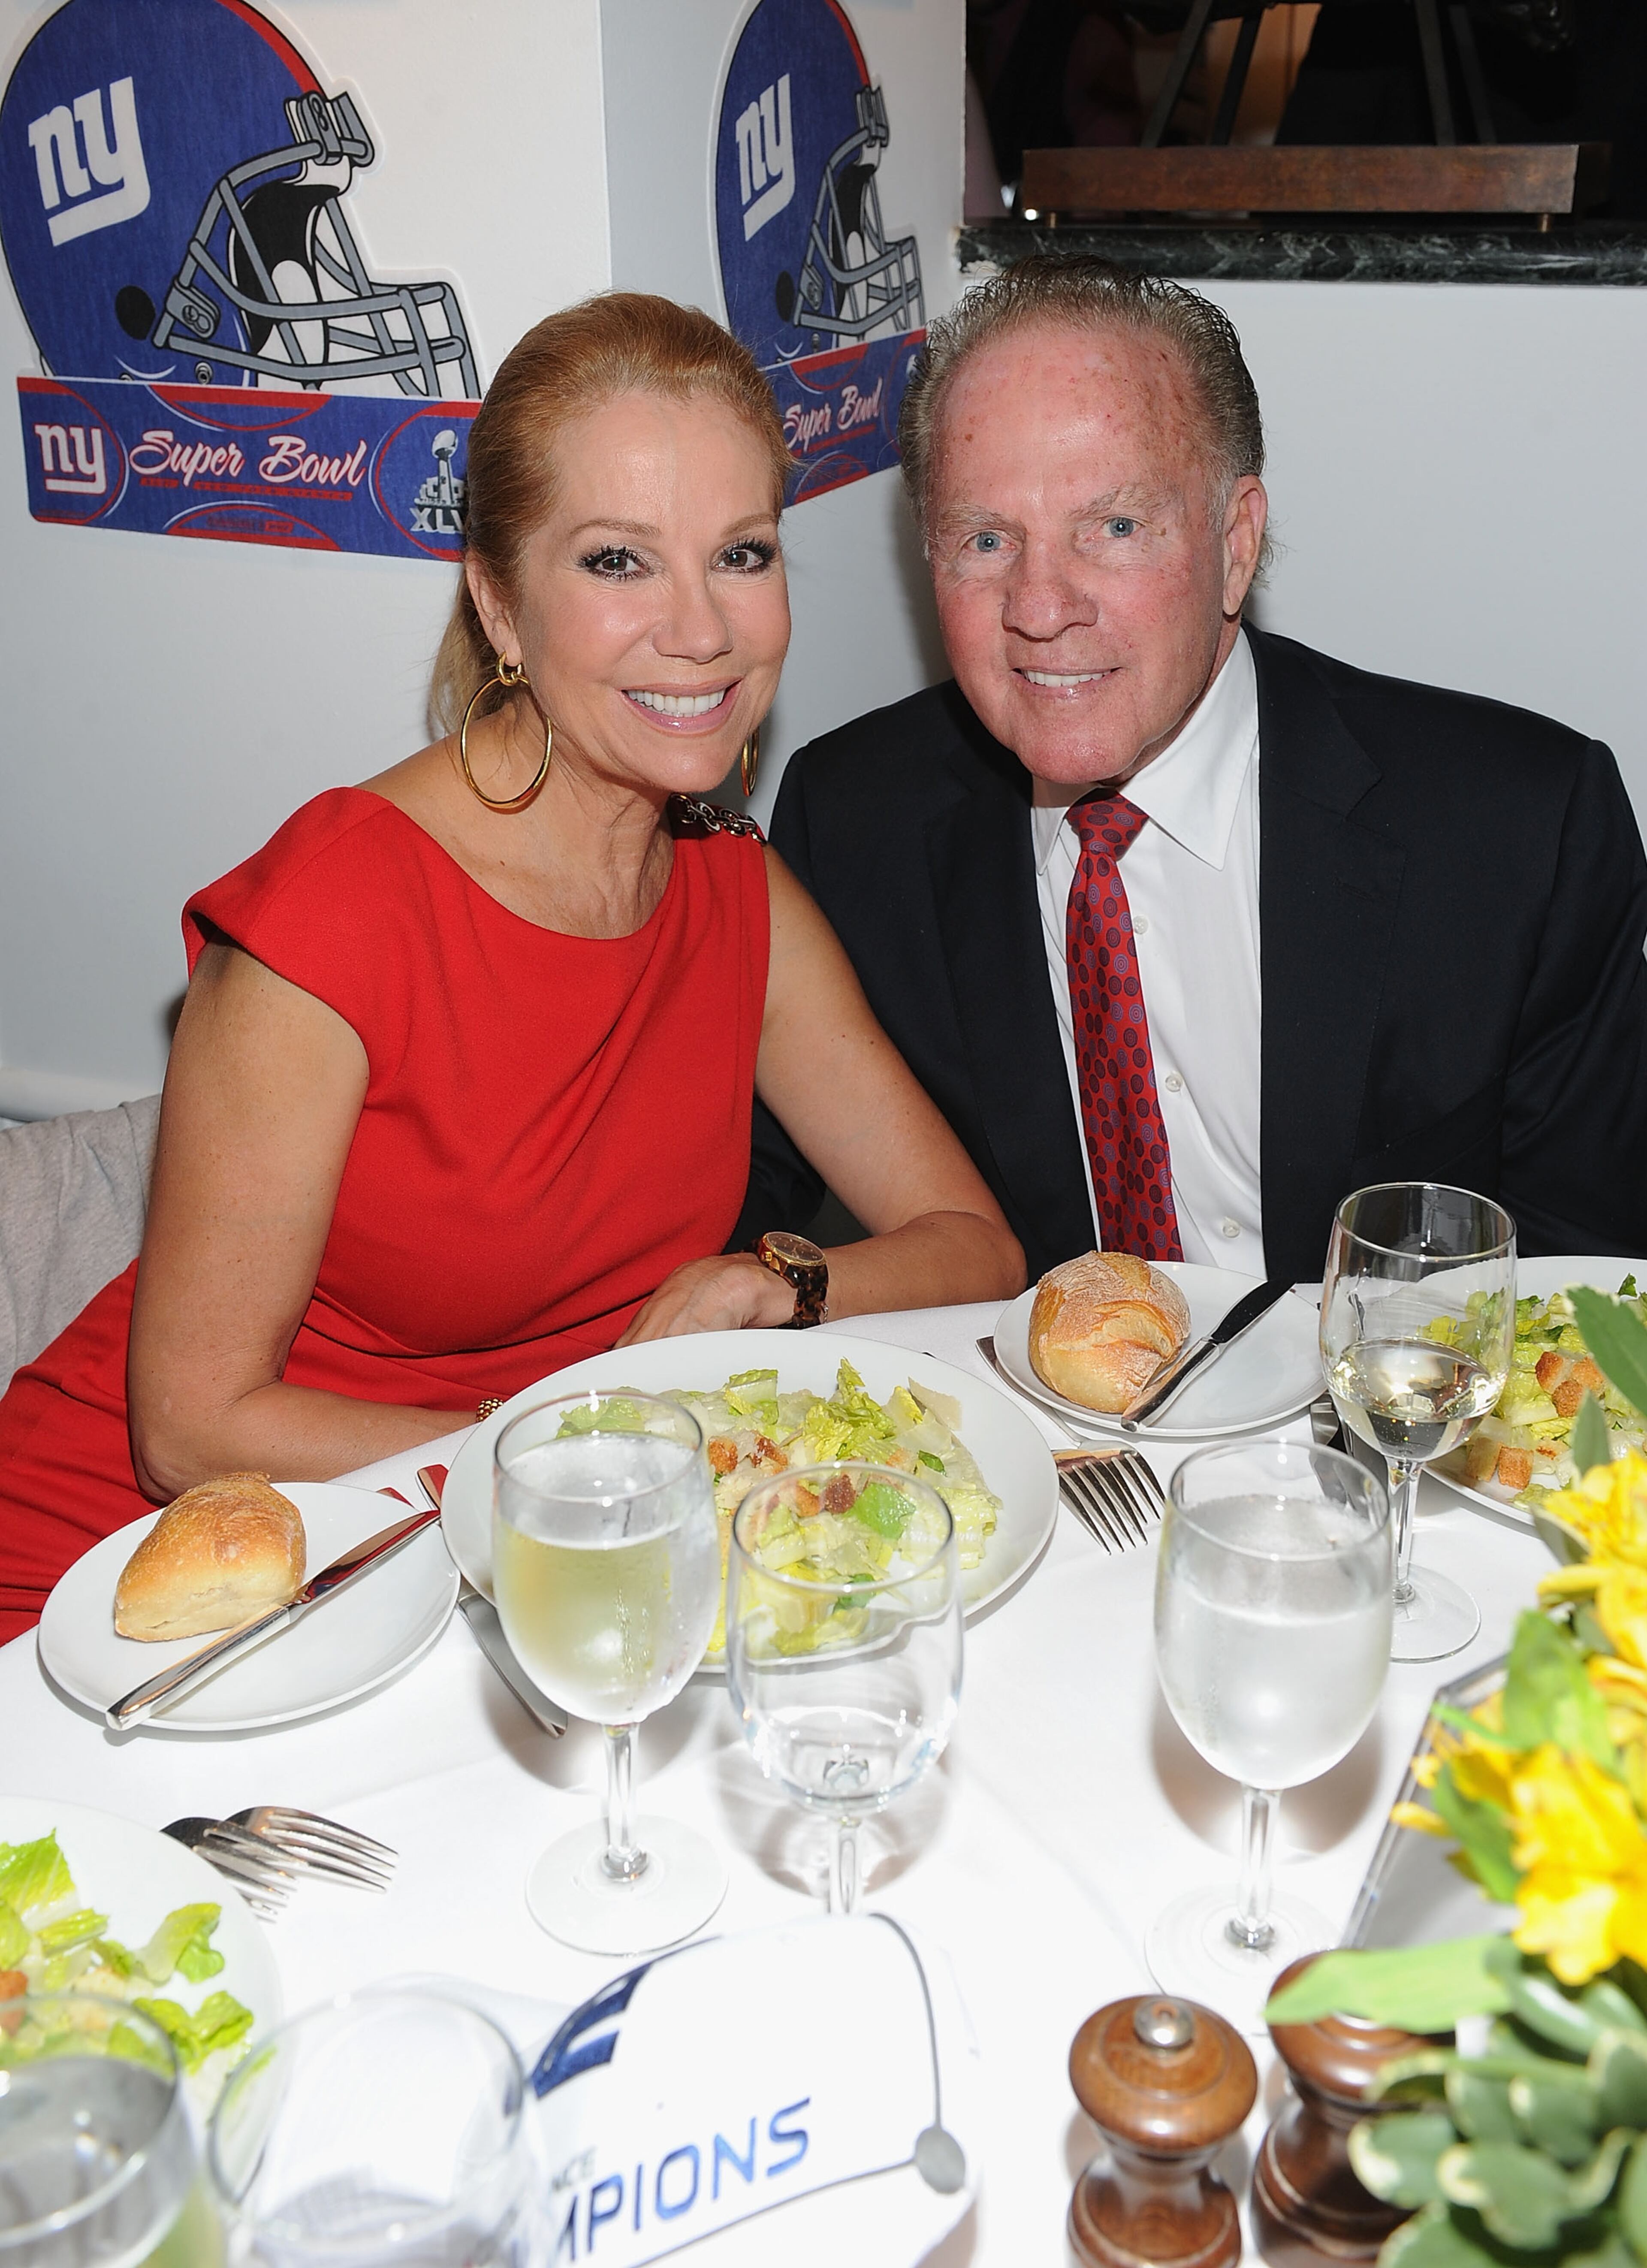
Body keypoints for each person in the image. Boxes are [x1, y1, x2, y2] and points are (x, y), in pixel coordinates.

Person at [0, 293, 1023, 1643]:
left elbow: (978, 1249)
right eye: (617, 562)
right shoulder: (336, 913)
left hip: (507, 1543)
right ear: (498, 601)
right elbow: (190, 1431)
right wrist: (560, 1461)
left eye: (741, 552)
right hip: (160, 1580)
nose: (702, 629)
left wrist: (788, 1280)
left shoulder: (736, 890)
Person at [740, 256, 1647, 1285]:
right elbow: (728, 1203)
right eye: (986, 539)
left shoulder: (1521, 833)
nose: (1040, 607)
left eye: (1115, 528)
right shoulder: (855, 820)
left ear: (1237, 539)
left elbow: (1588, 1292)